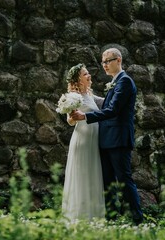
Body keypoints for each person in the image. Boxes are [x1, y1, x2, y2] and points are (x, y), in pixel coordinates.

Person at [70, 48, 143, 225]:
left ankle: (137, 221)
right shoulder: (114, 83)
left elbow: (113, 110)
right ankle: (112, 219)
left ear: (118, 60)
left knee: (124, 180)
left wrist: (86, 116)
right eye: (102, 62)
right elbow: (102, 103)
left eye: (107, 61)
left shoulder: (124, 82)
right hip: (105, 141)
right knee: (108, 184)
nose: (104, 65)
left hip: (118, 139)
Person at [61, 63, 105, 221]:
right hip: (83, 140)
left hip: (94, 141)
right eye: (85, 74)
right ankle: (80, 217)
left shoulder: (91, 96)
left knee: (93, 174)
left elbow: (109, 104)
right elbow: (70, 122)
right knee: (83, 175)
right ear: (78, 80)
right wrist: (72, 116)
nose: (89, 76)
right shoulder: (73, 97)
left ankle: (95, 216)